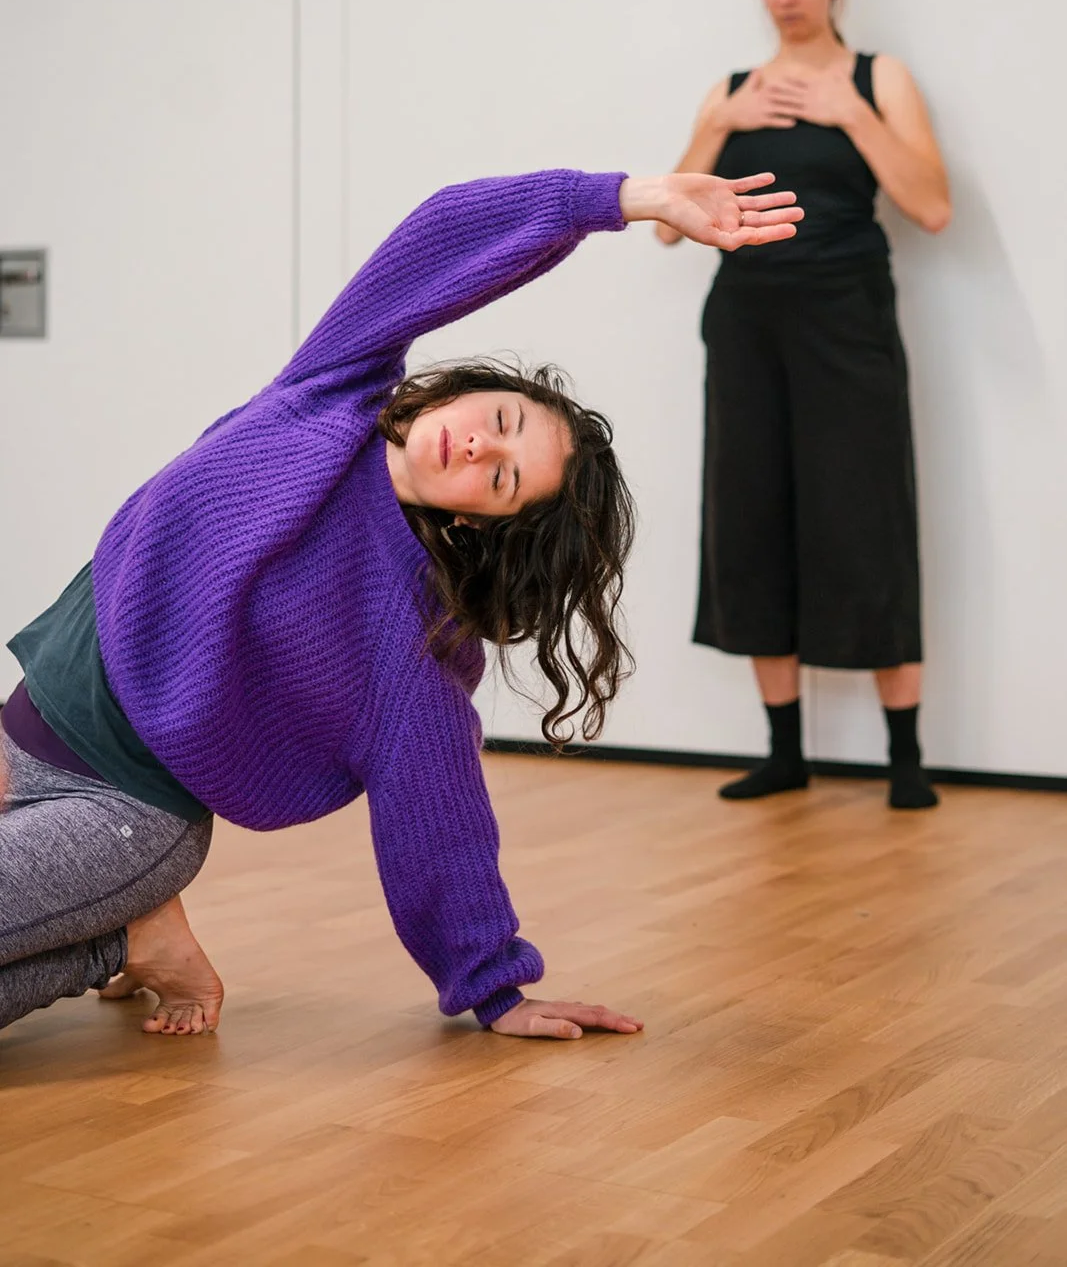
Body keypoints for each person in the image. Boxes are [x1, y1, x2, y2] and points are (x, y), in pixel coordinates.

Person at [1, 164, 801, 1040]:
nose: (476, 449)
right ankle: (115, 934)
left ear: (486, 520)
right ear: (468, 393)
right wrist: (618, 198)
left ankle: (116, 935)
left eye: (502, 479)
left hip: (120, 819)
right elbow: (440, 236)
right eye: (499, 421)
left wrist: (495, 988)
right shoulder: (330, 390)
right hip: (19, 729)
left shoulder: (413, 633)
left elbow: (437, 809)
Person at [657, 0, 951, 808]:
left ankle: (906, 757)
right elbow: (670, 226)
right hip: (746, 321)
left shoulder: (877, 77)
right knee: (750, 514)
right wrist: (722, 123)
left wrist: (850, 113)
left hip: (847, 319)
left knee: (864, 515)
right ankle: (785, 751)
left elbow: (931, 207)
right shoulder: (731, 89)